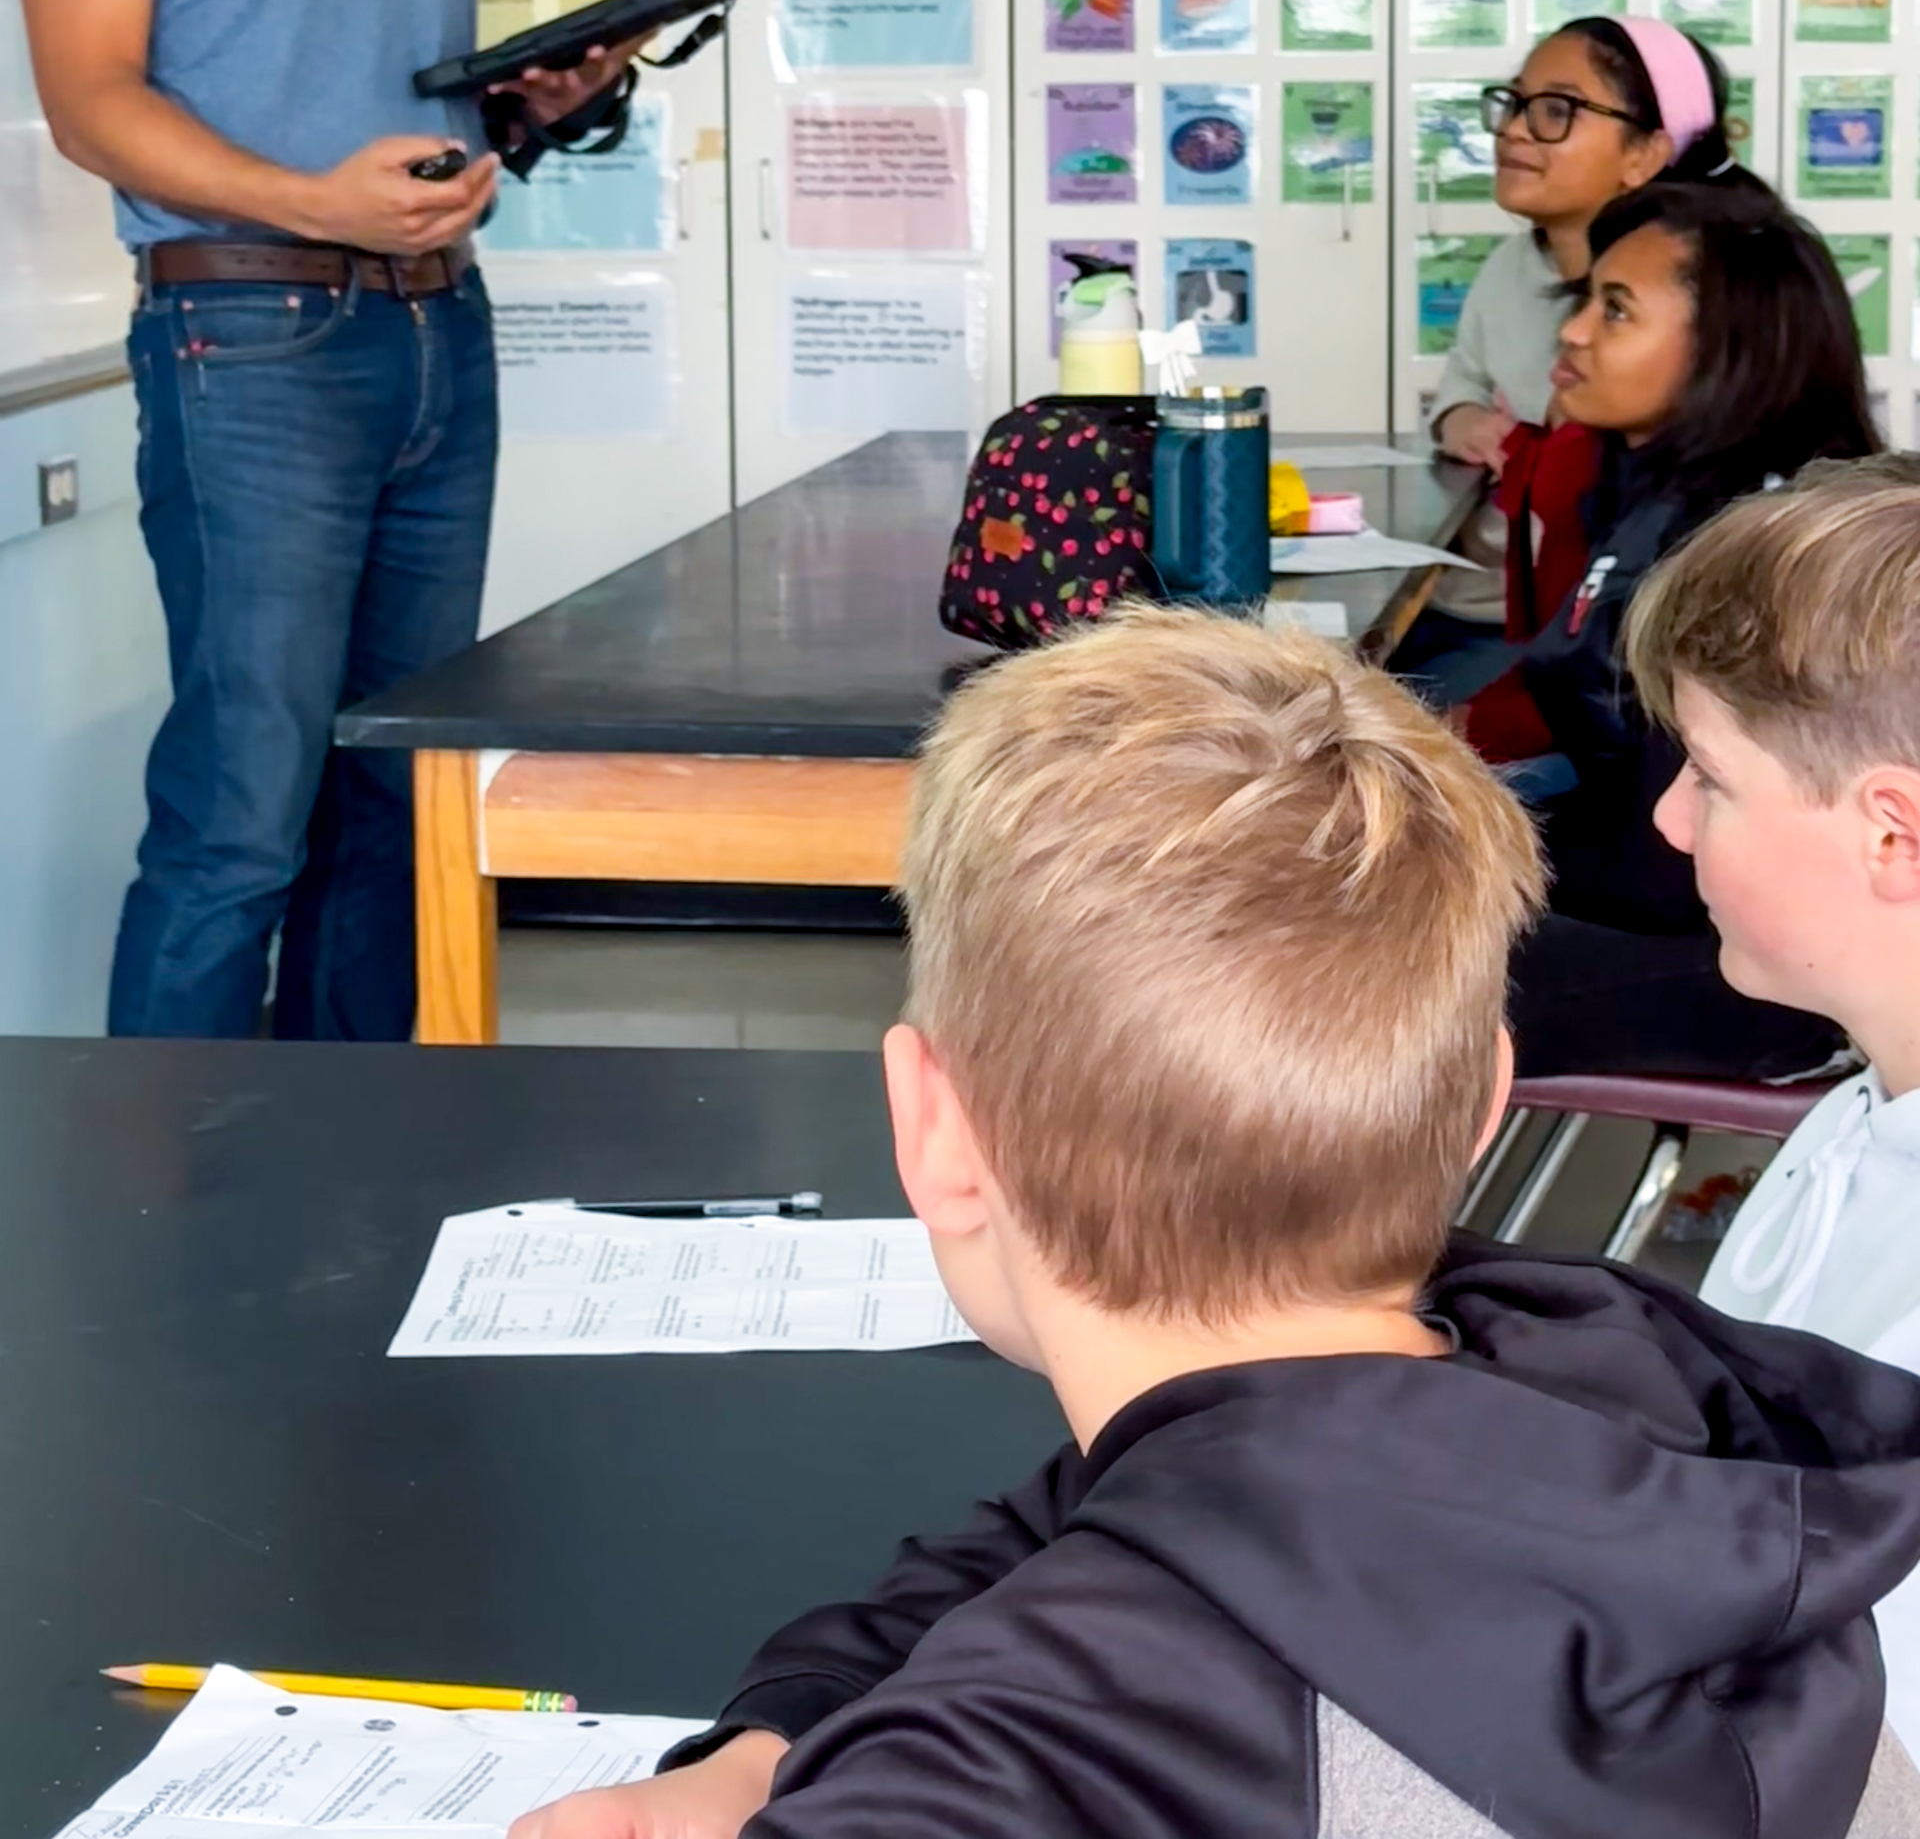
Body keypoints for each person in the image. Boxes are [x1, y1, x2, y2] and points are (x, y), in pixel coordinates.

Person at [512, 608, 1920, 1839]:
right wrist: (771, 1745)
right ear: (1485, 1099)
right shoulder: (1625, 1400)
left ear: (935, 1131)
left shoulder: (1011, 1772)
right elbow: (1084, 1511)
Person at [7, 0, 634, 1039]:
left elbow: (364, 94)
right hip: (253, 346)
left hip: (436, 340)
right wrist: (312, 200)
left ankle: (352, 1199)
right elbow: (92, 102)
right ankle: (174, 1247)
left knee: (390, 804)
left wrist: (524, 110)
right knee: (242, 817)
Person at [1625, 463, 1920, 1759]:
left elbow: (1843, 1759)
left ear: (1892, 840)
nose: (1670, 818)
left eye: (1712, 777)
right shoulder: (1860, 1114)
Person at [1464, 182, 1878, 1080]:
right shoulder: (1654, 484)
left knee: (1341, 975)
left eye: (1617, 311)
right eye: (1584, 300)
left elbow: (1663, 875)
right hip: (1674, 892)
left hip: (1757, 969)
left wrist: (1460, 845)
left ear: (1725, 353)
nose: (1574, 332)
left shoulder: (1749, 548)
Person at [1403, 13, 1756, 695]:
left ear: (1646, 152)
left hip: (1592, 650)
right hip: (1484, 612)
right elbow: (1458, 392)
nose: (1511, 130)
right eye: (1512, 103)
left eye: (1556, 111)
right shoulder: (1510, 266)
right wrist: (1465, 421)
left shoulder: (1704, 305)